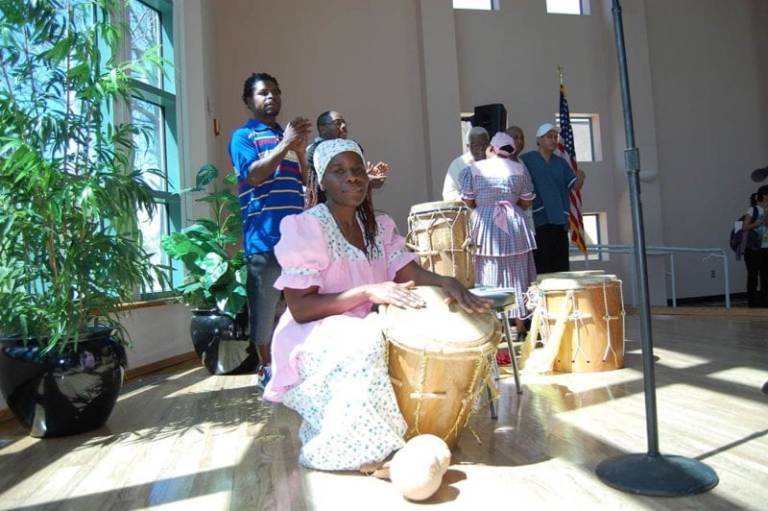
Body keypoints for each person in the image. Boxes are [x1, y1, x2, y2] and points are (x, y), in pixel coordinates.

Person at [263, 139, 490, 471]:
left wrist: (448, 283)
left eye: (357, 171)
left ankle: (402, 436)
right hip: (312, 330)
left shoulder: (377, 226)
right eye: (339, 171)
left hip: (365, 317)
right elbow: (301, 309)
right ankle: (354, 451)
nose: (352, 178)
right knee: (366, 340)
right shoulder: (308, 227)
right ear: (321, 181)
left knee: (412, 322)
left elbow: (406, 271)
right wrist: (368, 292)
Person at [228, 72, 312, 388]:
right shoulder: (242, 137)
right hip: (263, 239)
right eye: (263, 93)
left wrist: (300, 151)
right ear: (249, 101)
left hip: (296, 240)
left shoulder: (286, 136)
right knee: (263, 311)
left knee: (300, 306)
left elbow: (305, 182)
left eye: (276, 92)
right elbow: (254, 176)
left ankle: (296, 365)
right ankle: (266, 369)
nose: (271, 97)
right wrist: (287, 143)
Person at [459, 131, 537, 339]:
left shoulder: (474, 169)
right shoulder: (520, 169)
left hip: (485, 224)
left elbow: (468, 200)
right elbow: (527, 200)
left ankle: (495, 329)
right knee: (518, 275)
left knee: (486, 274)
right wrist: (510, 202)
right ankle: (521, 328)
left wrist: (485, 204)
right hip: (514, 223)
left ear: (491, 149)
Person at [520, 123, 586, 274]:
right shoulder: (527, 160)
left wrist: (581, 176)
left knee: (560, 267)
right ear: (539, 140)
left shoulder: (561, 163)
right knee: (541, 267)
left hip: (559, 222)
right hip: (538, 222)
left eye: (555, 137)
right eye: (549, 136)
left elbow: (574, 186)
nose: (553, 140)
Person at [304, 111, 389, 207]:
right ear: (322, 129)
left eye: (344, 123)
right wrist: (366, 180)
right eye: (338, 123)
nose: (344, 126)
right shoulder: (314, 152)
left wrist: (365, 177)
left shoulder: (353, 147)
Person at [442, 127, 489, 201]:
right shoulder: (458, 164)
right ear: (468, 146)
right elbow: (449, 194)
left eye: (485, 144)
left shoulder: (496, 161)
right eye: (477, 145)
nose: (482, 148)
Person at [742, 189, 768, 307]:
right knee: (753, 276)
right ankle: (752, 303)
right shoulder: (753, 209)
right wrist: (760, 222)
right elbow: (745, 227)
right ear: (764, 196)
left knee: (766, 276)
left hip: (766, 248)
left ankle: (764, 301)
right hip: (754, 249)